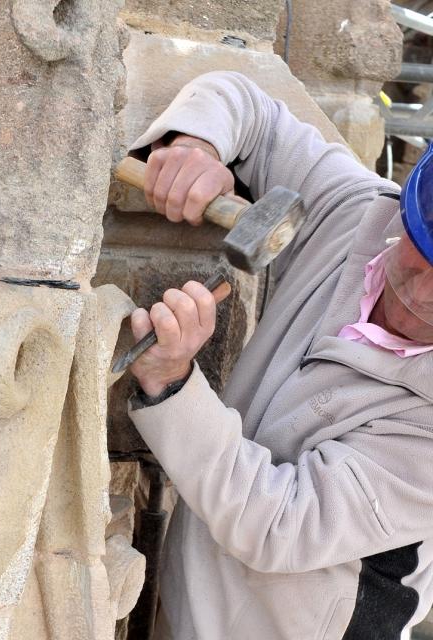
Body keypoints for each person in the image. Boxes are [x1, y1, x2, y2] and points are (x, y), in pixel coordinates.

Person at [126, 71, 433, 639]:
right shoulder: (357, 213)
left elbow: (279, 524)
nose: (420, 291)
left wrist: (171, 383)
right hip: (198, 600)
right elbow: (248, 106)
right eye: (425, 247)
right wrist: (197, 148)